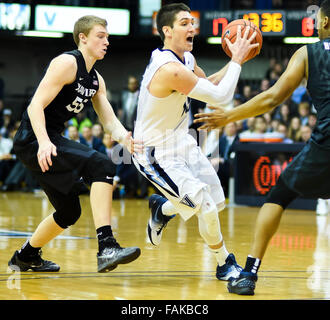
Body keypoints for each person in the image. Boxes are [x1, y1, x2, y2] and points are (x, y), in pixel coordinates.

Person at [194, 0, 330, 295]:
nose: (316, 25)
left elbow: (272, 98)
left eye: (317, 21)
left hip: (326, 143)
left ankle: (249, 274)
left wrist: (229, 115)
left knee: (278, 195)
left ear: (326, 23)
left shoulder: (309, 53)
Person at [132, 3, 258, 281]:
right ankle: (225, 263)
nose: (192, 28)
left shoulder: (186, 60)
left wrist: (237, 61)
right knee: (205, 206)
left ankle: (161, 209)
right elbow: (222, 98)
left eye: (192, 22)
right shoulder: (167, 69)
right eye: (184, 23)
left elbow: (209, 86)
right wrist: (236, 61)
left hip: (182, 143)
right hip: (153, 152)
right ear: (166, 30)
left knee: (212, 200)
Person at [8, 15, 142, 273]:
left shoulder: (96, 80)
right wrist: (44, 142)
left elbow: (109, 121)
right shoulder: (67, 63)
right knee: (102, 164)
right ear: (83, 38)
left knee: (69, 212)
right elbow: (35, 105)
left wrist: (127, 138)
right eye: (100, 36)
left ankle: (26, 256)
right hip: (34, 139)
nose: (107, 42)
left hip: (49, 140)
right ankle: (107, 247)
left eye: (107, 37)